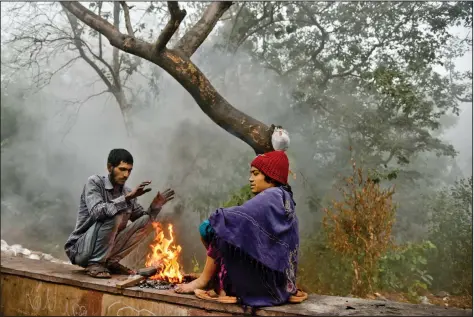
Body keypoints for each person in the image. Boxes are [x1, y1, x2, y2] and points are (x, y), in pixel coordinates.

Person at [175, 149, 303, 307]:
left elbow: (229, 220)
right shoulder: (284, 197)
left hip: (263, 285)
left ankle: (206, 279)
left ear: (272, 177)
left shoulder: (270, 197)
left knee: (212, 227)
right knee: (228, 230)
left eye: (256, 174)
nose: (251, 179)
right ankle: (215, 277)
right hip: (280, 283)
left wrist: (217, 220)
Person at [64, 148, 175, 278]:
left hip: (107, 251)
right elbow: (97, 212)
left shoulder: (127, 192)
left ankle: (110, 262)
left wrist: (155, 206)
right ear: (109, 167)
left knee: (148, 222)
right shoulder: (94, 182)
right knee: (113, 212)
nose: (126, 175)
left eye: (129, 170)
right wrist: (127, 198)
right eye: (122, 169)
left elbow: (141, 221)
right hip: (81, 250)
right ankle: (96, 263)